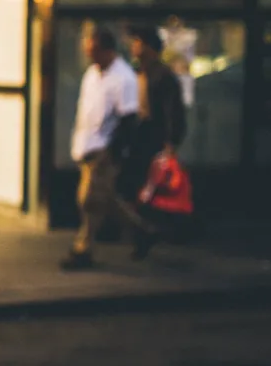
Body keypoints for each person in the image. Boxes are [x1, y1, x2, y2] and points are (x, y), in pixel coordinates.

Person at [62, 24, 151, 270]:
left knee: (89, 200)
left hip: (104, 147)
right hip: (86, 144)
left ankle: (84, 249)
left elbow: (128, 118)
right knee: (105, 199)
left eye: (94, 51)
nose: (90, 57)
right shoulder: (92, 74)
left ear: (107, 50)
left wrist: (114, 150)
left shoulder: (123, 78)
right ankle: (140, 231)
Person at [125, 24, 188, 253]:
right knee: (136, 187)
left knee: (154, 187)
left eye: (138, 42)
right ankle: (143, 231)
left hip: (154, 138)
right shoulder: (135, 71)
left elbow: (173, 111)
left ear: (150, 48)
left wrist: (171, 142)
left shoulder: (163, 75)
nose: (134, 47)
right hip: (137, 137)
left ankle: (150, 232)